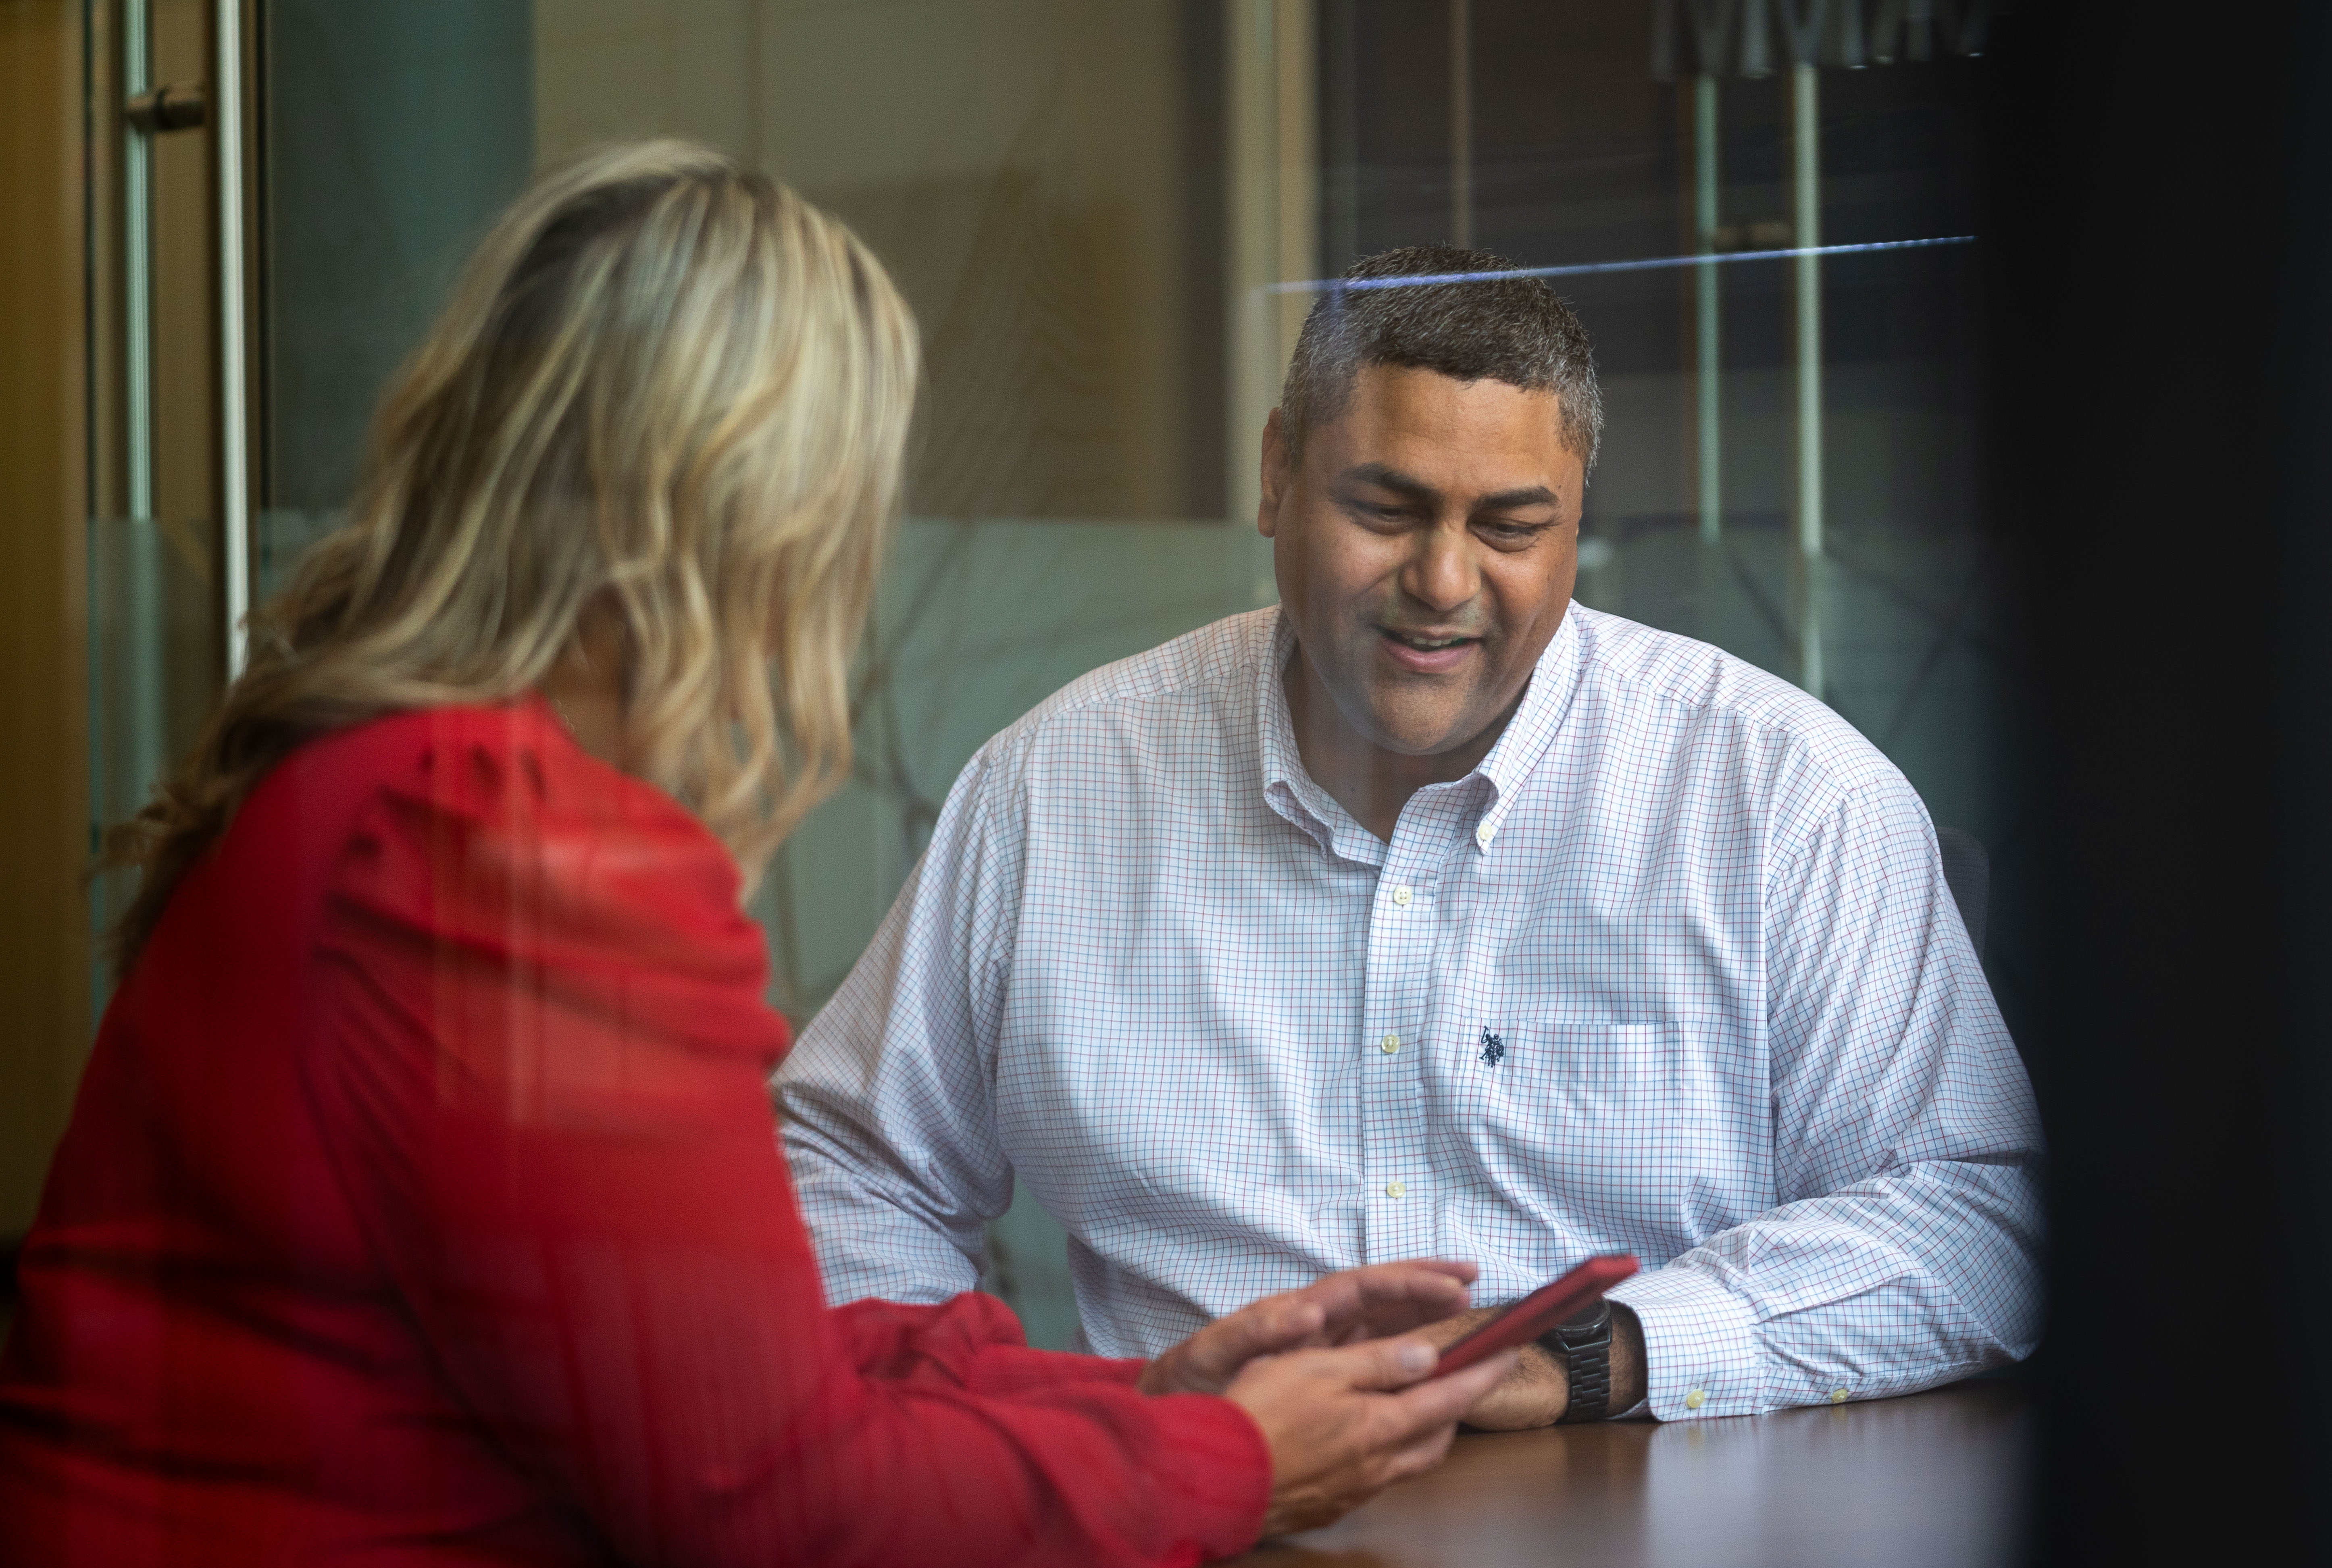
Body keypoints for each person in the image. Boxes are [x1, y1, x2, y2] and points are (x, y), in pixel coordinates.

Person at [0, 147, 1516, 1566]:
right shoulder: (510, 851)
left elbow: (696, 1356)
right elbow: (778, 1503)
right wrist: (1223, 1467)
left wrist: (1146, 1398)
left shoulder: (373, 781)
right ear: (759, 521)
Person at [779, 244, 2045, 1430]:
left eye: (1508, 526)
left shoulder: (1783, 797)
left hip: (1644, 1512)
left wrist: (1596, 1356)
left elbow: (1980, 1217)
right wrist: (987, 1432)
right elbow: (845, 1161)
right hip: (1201, 1522)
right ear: (1276, 476)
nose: (1442, 582)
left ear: (1575, 521)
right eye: (1385, 508)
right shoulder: (1058, 788)